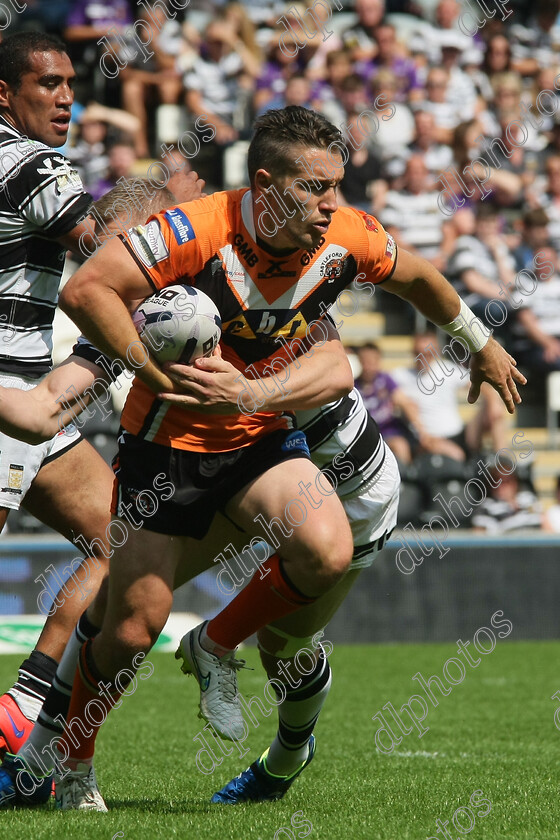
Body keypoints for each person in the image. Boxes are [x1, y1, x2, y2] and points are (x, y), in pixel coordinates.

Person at [7, 105, 522, 812]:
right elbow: (86, 288)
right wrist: (156, 377)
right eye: (314, 187)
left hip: (258, 440)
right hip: (167, 452)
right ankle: (72, 762)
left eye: (335, 185)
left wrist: (480, 342)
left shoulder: (344, 238)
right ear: (264, 184)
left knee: (325, 547)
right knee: (130, 627)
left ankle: (215, 654)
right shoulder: (194, 231)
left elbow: (419, 280)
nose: (330, 203)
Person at [0, 32, 204, 763]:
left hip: (34, 400)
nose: (64, 96)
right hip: (6, 395)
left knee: (120, 538)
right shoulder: (27, 161)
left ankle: (21, 709)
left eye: (68, 83)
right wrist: (184, 259)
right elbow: (97, 244)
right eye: (45, 84)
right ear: (4, 94)